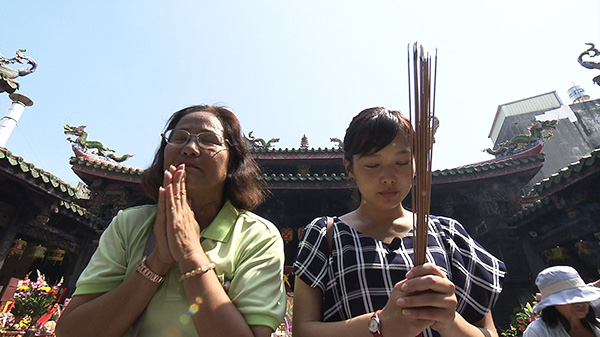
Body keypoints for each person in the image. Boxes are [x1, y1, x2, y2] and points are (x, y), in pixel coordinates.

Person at [56, 105, 287, 337]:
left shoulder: (257, 236)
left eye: (209, 140)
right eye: (179, 138)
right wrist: (157, 261)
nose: (190, 148)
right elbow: (72, 331)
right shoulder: (129, 224)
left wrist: (190, 253)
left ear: (233, 163)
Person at [292, 107, 506, 337]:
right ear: (349, 168)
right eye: (373, 165)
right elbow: (302, 331)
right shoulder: (326, 235)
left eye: (402, 162)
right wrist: (380, 324)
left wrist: (450, 321)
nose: (388, 177)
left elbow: (489, 332)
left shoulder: (448, 234)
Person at [524, 265, 600, 337]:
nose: (580, 303)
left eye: (582, 297)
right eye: (570, 299)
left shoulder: (596, 325)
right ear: (554, 304)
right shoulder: (538, 331)